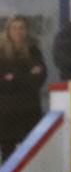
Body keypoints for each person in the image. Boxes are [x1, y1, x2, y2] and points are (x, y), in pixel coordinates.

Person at [0, 16, 47, 160]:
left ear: (27, 31)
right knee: (7, 155)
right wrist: (27, 75)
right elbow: (3, 83)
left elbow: (39, 78)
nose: (18, 31)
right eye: (14, 28)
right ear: (8, 31)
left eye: (22, 28)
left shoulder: (34, 51)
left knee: (30, 156)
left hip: (29, 110)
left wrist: (13, 78)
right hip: (6, 112)